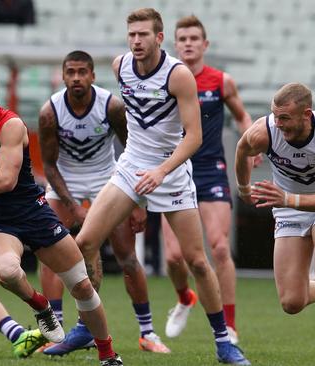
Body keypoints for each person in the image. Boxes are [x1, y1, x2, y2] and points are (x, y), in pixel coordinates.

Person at [74, 8, 250, 365]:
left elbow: (194, 137)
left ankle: (224, 341)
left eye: (143, 35)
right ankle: (85, 326)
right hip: (131, 168)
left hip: (171, 170)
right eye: (131, 34)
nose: (136, 41)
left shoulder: (179, 75)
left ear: (158, 38)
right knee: (84, 243)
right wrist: (138, 187)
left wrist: (161, 170)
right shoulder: (119, 65)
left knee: (197, 260)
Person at [0, 64, 123, 366]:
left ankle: (108, 355)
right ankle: (41, 306)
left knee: (81, 284)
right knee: (7, 272)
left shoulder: (9, 125)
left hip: (31, 211)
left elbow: (6, 180)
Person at [37, 50, 170, 356]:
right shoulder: (50, 112)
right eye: (70, 72)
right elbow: (49, 164)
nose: (76, 78)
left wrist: (138, 201)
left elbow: (133, 150)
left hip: (108, 179)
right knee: (49, 252)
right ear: (62, 75)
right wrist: (72, 206)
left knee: (126, 256)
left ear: (93, 76)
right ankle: (55, 330)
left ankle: (147, 332)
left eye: (82, 72)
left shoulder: (111, 106)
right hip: (65, 183)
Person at [162, 14, 261, 344]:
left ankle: (229, 326)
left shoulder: (221, 81)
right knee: (175, 258)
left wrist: (251, 142)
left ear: (205, 45)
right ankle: (183, 298)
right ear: (174, 44)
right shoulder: (165, 80)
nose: (188, 43)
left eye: (194, 39)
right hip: (174, 171)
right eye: (183, 39)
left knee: (219, 248)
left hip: (210, 170)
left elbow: (242, 115)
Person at [236, 82, 315, 322]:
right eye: (275, 116)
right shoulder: (263, 132)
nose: (278, 124)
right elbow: (242, 150)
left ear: (306, 114)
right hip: (288, 209)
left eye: (284, 118)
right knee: (292, 302)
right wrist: (244, 188)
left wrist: (288, 198)